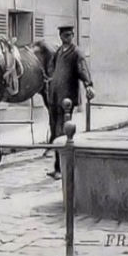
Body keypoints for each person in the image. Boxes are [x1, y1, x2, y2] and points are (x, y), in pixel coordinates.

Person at [46, 25, 94, 179]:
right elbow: (51, 69)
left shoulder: (76, 52)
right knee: (54, 131)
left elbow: (83, 70)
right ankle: (57, 167)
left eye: (70, 35)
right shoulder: (59, 52)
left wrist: (88, 85)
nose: (68, 38)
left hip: (66, 99)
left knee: (62, 132)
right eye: (65, 35)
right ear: (60, 36)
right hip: (54, 97)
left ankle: (62, 169)